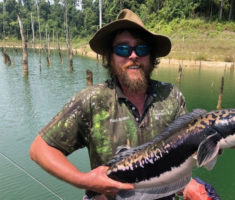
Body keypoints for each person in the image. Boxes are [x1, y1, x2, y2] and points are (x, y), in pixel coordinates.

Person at [30, 9, 187, 200]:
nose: (133, 56)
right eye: (122, 48)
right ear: (110, 58)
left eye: (142, 48)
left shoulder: (171, 96)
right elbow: (40, 149)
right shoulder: (92, 100)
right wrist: (84, 180)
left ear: (151, 56)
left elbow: (184, 153)